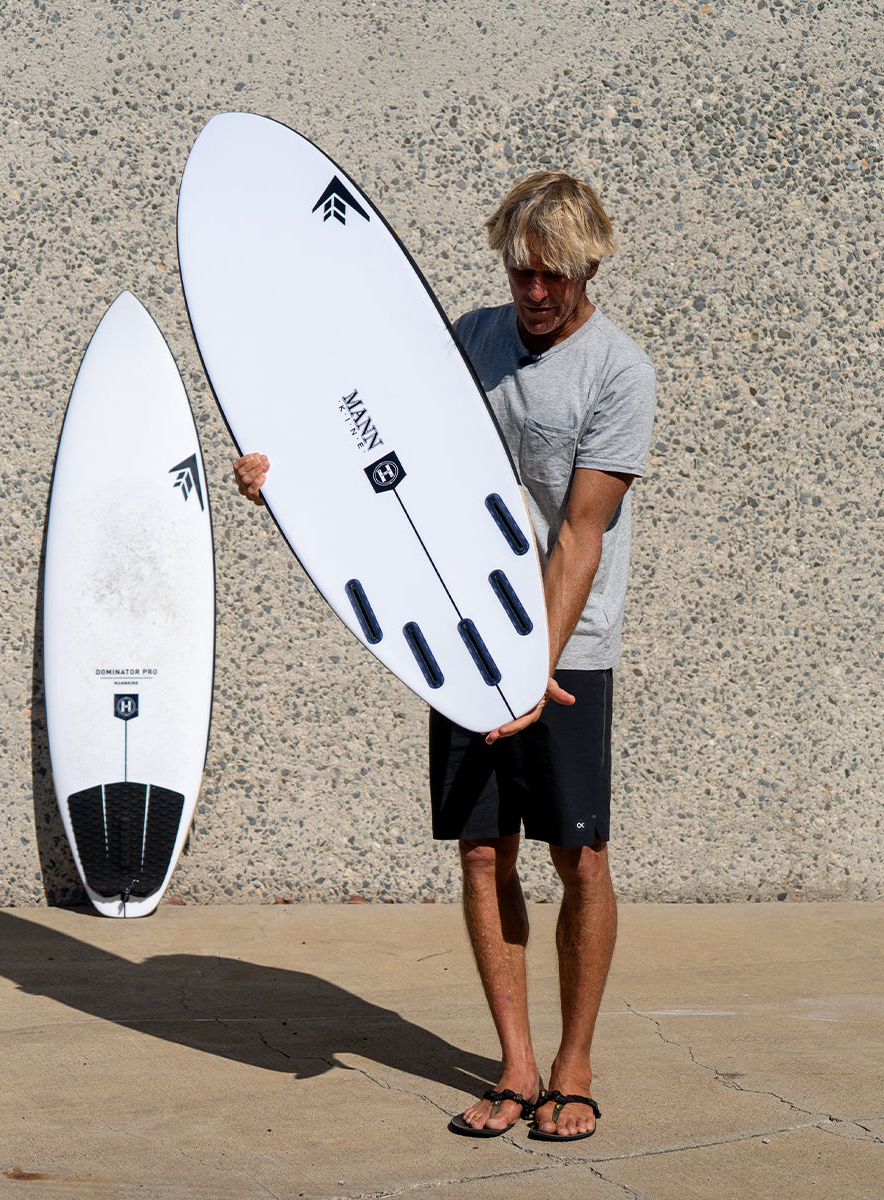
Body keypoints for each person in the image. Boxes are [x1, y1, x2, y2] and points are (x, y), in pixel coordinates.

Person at [233, 172, 656, 1142]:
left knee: (579, 855)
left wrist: (534, 665)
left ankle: (574, 1064)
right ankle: (516, 1064)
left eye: (553, 275)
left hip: (565, 645)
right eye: (521, 272)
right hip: (461, 634)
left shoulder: (619, 373)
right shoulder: (471, 338)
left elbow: (580, 535)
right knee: (482, 849)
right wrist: (280, 479)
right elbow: (379, 452)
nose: (534, 292)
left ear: (590, 268)